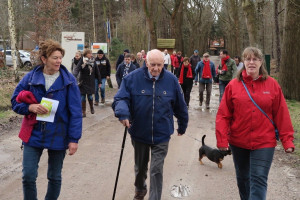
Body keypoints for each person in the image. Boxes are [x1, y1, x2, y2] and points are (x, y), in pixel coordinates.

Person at [216, 47, 295, 200]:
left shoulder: (272, 85)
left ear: (260, 62)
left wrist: (287, 140)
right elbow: (223, 116)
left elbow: (281, 114)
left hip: (264, 141)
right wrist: (222, 140)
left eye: (255, 59)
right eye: (248, 59)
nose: (251, 62)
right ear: (243, 62)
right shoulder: (233, 86)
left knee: (258, 178)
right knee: (243, 179)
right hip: (238, 141)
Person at [112, 49, 188, 200]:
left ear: (164, 63)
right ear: (146, 62)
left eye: (159, 65)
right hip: (139, 131)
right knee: (140, 169)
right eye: (152, 64)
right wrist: (123, 113)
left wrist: (182, 124)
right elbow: (120, 99)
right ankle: (140, 188)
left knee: (156, 169)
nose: (156, 68)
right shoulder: (132, 78)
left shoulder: (171, 80)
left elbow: (180, 105)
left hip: (162, 134)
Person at [11, 39, 82, 200]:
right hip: (33, 133)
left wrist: (74, 139)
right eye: (55, 58)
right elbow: (14, 101)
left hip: (59, 134)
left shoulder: (69, 82)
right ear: (44, 59)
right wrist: (30, 108)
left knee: (54, 177)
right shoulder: (30, 78)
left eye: (60, 57)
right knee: (28, 175)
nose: (59, 61)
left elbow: (76, 113)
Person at [74, 49, 101, 117]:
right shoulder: (82, 61)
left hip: (90, 82)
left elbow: (97, 72)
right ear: (86, 54)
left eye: (91, 53)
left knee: (90, 97)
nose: (91, 55)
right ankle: (83, 111)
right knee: (82, 97)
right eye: (89, 53)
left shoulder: (93, 61)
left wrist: (99, 81)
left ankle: (91, 107)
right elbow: (77, 69)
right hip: (83, 81)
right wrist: (73, 77)